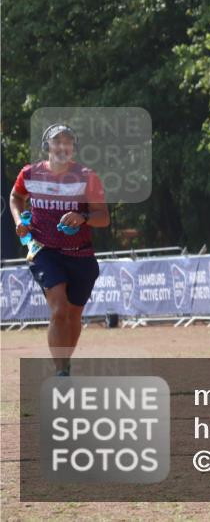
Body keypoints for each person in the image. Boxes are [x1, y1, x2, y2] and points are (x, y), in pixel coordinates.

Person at [9, 124, 109, 376]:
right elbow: (15, 197)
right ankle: (61, 372)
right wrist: (19, 221)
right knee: (59, 309)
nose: (62, 146)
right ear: (47, 146)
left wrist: (82, 216)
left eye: (67, 142)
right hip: (44, 250)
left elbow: (103, 217)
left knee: (74, 315)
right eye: (57, 142)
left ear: (73, 148)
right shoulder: (30, 173)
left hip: (80, 253)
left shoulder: (87, 176)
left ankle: (65, 363)